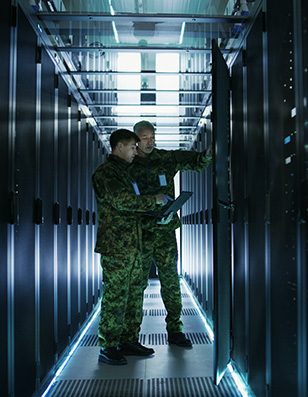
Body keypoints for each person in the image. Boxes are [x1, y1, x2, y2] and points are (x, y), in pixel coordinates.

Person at [130, 120, 212, 348]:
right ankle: (131, 336)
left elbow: (195, 162)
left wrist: (208, 153)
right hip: (141, 233)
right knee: (137, 283)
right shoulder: (128, 163)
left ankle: (175, 330)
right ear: (136, 140)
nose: (150, 142)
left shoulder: (165, 158)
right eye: (145, 138)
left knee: (170, 281)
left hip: (165, 232)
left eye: (153, 137)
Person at [92, 129, 171, 365]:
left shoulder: (127, 174)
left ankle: (128, 340)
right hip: (116, 247)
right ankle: (108, 345)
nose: (135, 152)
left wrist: (159, 214)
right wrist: (155, 199)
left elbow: (133, 209)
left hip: (134, 245)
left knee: (135, 295)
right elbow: (122, 201)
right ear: (118, 147)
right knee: (115, 296)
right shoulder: (106, 174)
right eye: (132, 147)